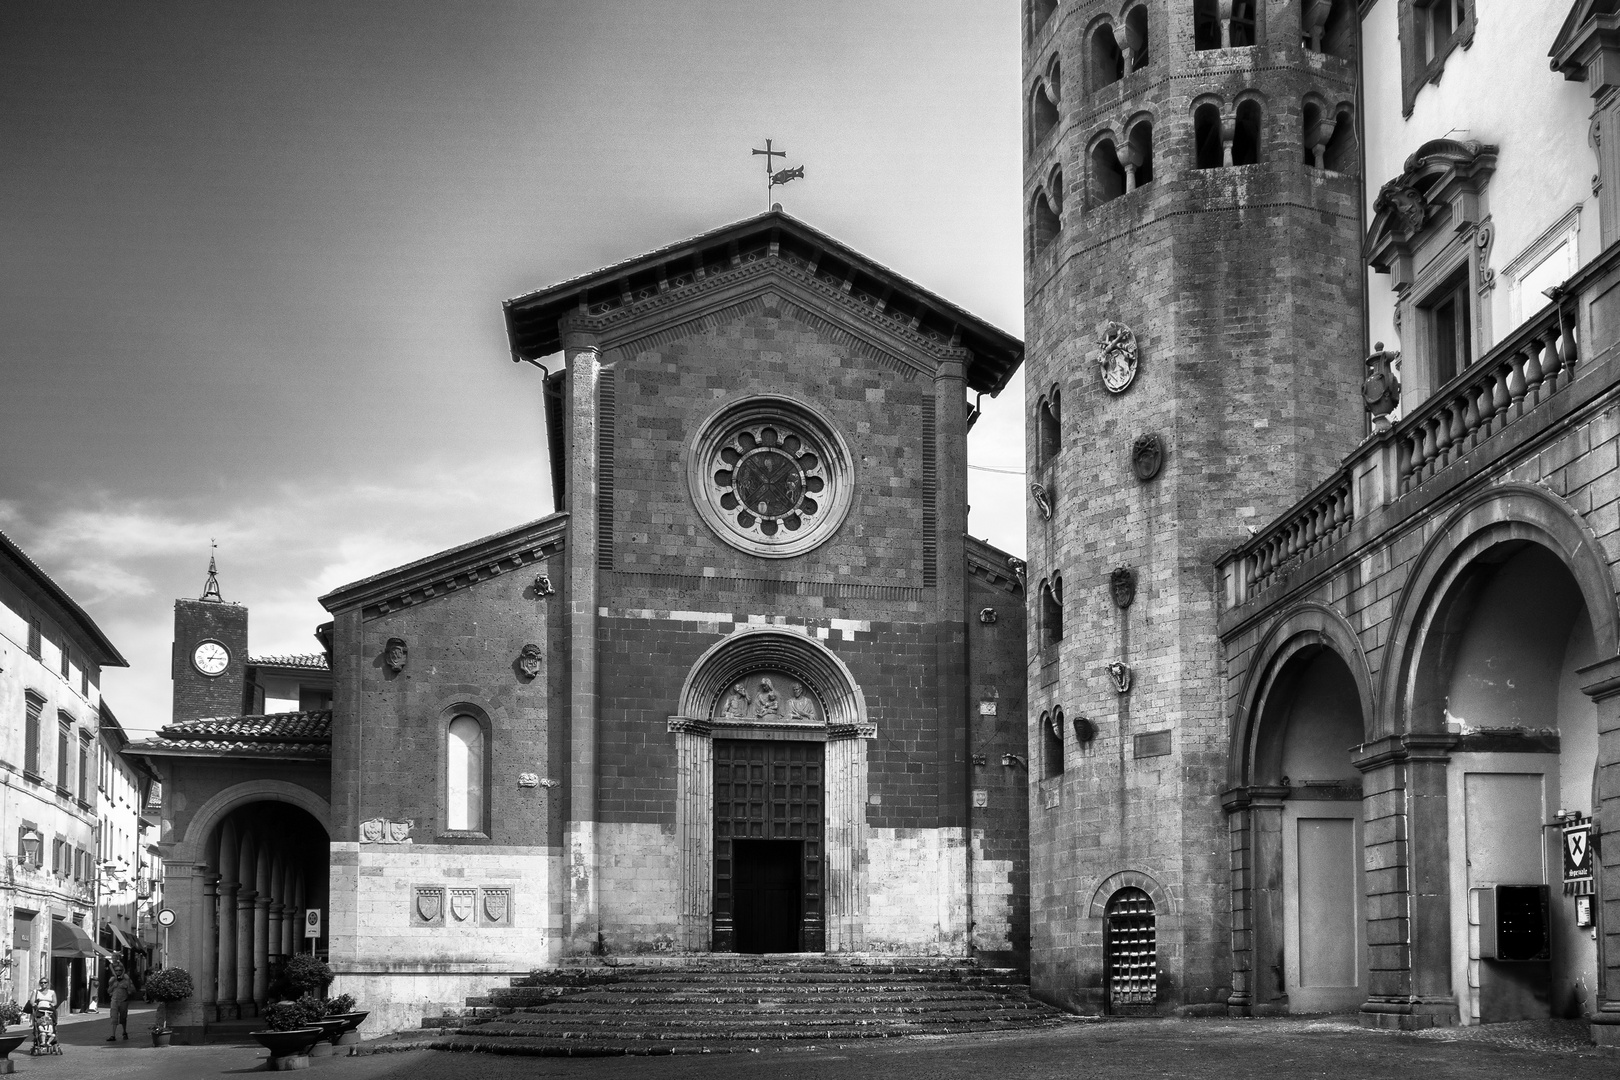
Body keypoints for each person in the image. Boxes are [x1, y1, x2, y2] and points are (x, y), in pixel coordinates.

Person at [26, 977, 58, 1052]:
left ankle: (50, 1040)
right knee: (39, 1025)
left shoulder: (52, 992)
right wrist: (34, 1004)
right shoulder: (36, 991)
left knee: (51, 1024)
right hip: (39, 1012)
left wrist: (52, 1005)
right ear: (40, 984)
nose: (43, 984)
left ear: (48, 983)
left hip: (49, 1011)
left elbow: (55, 1002)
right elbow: (32, 1001)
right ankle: (41, 1041)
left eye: (45, 982)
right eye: (41, 982)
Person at [106, 964, 134, 1041]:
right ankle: (113, 1035)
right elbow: (108, 991)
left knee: (123, 1018)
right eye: (116, 970)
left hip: (123, 1001)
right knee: (114, 1018)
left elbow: (131, 991)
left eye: (120, 970)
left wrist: (127, 986)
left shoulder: (127, 980)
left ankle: (124, 1032)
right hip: (114, 1001)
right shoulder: (112, 980)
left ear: (122, 971)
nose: (118, 972)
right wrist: (113, 986)